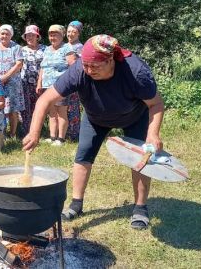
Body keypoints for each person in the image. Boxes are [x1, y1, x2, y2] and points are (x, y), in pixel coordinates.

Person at [22, 34, 165, 230]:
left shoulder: (136, 72)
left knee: (139, 160)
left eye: (95, 67)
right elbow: (45, 100)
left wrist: (153, 133)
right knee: (83, 156)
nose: (89, 71)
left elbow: (156, 104)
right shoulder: (79, 70)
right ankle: (76, 204)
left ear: (110, 60)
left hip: (134, 117)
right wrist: (34, 132)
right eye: (86, 65)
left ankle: (140, 208)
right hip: (94, 117)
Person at [36, 25, 73, 146]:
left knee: (61, 112)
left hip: (61, 86)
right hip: (47, 86)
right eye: (50, 34)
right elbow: (43, 67)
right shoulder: (46, 49)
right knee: (51, 112)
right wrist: (39, 83)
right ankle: (52, 137)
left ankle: (61, 139)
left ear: (62, 35)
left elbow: (73, 65)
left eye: (55, 34)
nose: (52, 37)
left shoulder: (67, 48)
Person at [0, 24, 24, 138]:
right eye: (2, 33)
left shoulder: (16, 47)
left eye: (7, 34)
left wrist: (5, 77)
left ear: (11, 35)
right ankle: (0, 133)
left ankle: (13, 133)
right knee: (0, 107)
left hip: (12, 83)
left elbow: (19, 64)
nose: (4, 36)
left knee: (12, 109)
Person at [19, 25, 45, 136]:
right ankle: (26, 130)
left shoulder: (44, 49)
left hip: (40, 83)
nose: (30, 37)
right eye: (27, 35)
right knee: (26, 108)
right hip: (24, 83)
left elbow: (45, 66)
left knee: (39, 107)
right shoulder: (21, 50)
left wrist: (40, 82)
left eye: (32, 35)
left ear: (37, 36)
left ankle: (38, 130)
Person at [64, 20, 84, 141]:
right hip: (63, 80)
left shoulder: (80, 47)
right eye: (69, 31)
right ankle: (64, 132)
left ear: (78, 33)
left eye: (73, 32)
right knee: (63, 107)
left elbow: (80, 65)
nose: (70, 34)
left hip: (74, 81)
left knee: (73, 107)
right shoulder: (65, 46)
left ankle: (74, 133)